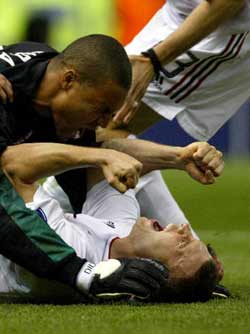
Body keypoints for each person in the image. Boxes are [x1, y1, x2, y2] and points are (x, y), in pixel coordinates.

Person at [0, 34, 169, 299]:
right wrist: (81, 272)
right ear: (68, 80)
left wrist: (179, 276)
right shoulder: (6, 90)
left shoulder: (48, 75)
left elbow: (85, 192)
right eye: (100, 109)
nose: (103, 124)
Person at [0, 139, 223, 303]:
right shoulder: (124, 232)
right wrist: (178, 157)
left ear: (150, 272)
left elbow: (10, 166)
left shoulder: (70, 249)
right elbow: (114, 155)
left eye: (183, 244)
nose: (185, 228)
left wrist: (100, 157)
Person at [113, 0, 249, 142]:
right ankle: (181, 159)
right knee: (93, 125)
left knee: (107, 124)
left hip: (213, 32)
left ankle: (181, 159)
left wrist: (153, 60)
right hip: (173, 14)